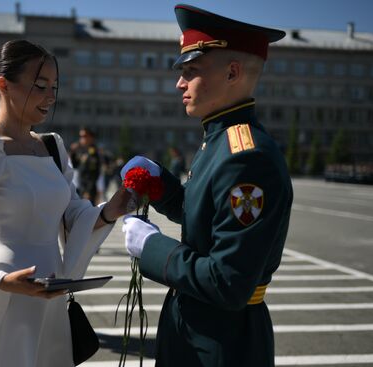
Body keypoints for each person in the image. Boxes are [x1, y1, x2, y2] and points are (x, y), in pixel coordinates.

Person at [0, 39, 131, 367]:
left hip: (52, 291)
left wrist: (109, 210)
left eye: (55, 87)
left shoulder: (51, 146)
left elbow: (71, 211)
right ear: (3, 84)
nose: (50, 97)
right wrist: (0, 282)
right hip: (7, 295)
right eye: (41, 85)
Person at [121, 5, 293, 366]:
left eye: (191, 71)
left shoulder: (247, 157)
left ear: (232, 72)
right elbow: (207, 222)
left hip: (222, 341)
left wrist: (151, 247)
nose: (179, 83)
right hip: (199, 327)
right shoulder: (219, 141)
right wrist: (162, 186)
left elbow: (228, 282)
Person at [69, 127, 101, 204]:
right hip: (80, 187)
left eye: (84, 136)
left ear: (90, 137)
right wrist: (73, 152)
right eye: (80, 136)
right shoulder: (81, 150)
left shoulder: (93, 152)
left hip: (88, 189)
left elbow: (94, 174)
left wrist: (88, 191)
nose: (82, 138)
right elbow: (75, 165)